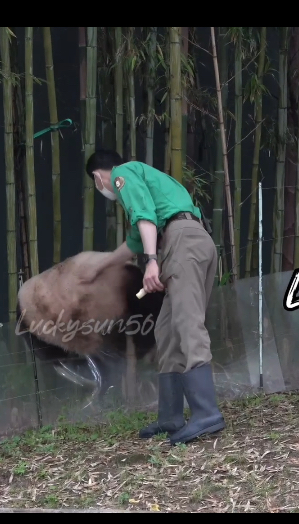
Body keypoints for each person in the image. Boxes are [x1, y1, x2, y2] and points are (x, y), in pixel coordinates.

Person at [81, 149, 225, 445]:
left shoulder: (123, 174)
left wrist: (151, 261)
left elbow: (144, 217)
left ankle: (207, 413)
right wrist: (100, 266)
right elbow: (135, 238)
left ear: (98, 178)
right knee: (167, 329)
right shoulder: (144, 178)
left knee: (187, 323)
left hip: (182, 243)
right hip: (186, 241)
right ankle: (171, 415)